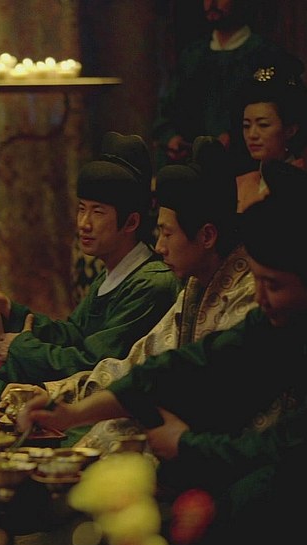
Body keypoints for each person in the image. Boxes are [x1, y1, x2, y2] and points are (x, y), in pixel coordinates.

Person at [23, 162, 307, 545]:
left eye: (273, 285)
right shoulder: (273, 314)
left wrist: (185, 445)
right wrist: (70, 413)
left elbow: (289, 450)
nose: (261, 297)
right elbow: (191, 365)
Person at [38, 136, 256, 451]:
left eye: (167, 234)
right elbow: (140, 362)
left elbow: (203, 391)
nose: (160, 247)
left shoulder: (247, 294)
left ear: (207, 236)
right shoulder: (195, 287)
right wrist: (55, 393)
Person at [0, 132, 181, 406]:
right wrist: (5, 305)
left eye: (98, 212)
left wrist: (22, 347)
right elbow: (74, 334)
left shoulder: (151, 284)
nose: (84, 223)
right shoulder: (111, 272)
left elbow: (93, 362)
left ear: (131, 222)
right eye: (82, 209)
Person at [152, 0, 297, 172]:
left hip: (245, 170)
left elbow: (281, 113)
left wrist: (235, 137)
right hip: (194, 169)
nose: (212, 3)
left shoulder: (264, 53)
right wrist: (171, 138)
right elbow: (168, 109)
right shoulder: (193, 55)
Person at [234, 58, 307, 213]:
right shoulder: (240, 184)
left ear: (290, 130)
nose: (252, 135)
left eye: (263, 125)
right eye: (246, 126)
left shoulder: (304, 184)